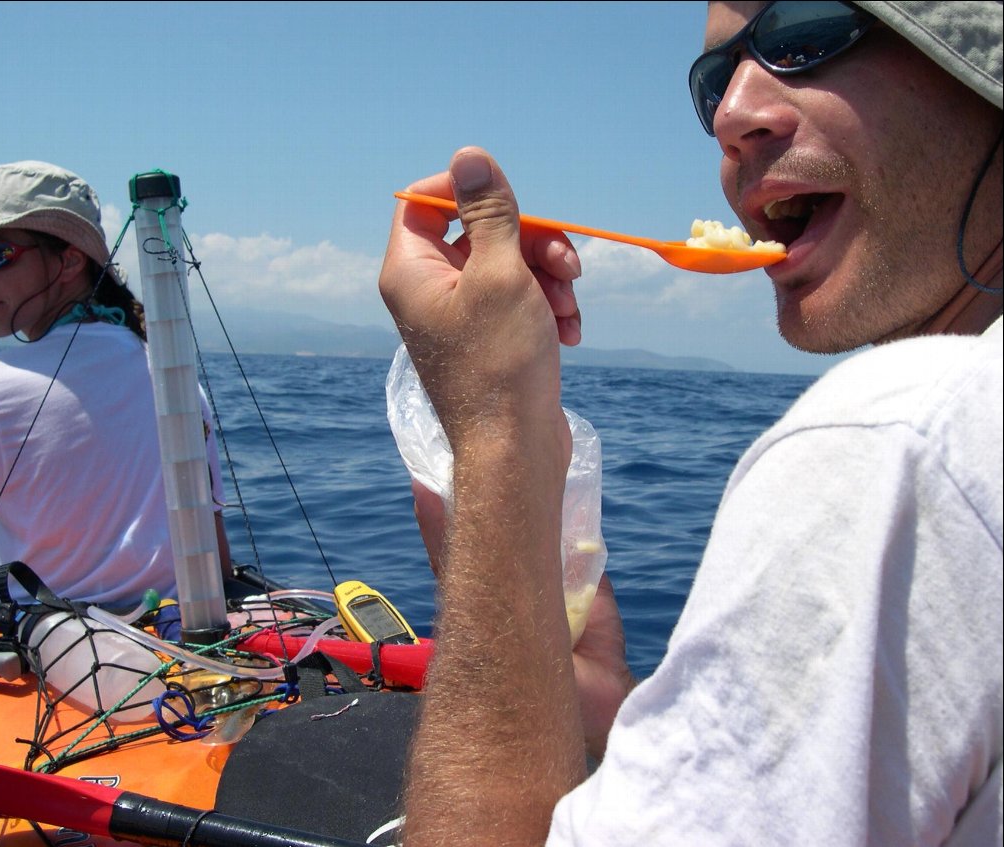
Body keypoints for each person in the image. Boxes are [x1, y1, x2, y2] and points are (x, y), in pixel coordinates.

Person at [378, 1, 1002, 844]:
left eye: (809, 33)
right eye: (714, 83)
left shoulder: (899, 444)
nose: (735, 117)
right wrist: (606, 707)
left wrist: (498, 432)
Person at [0, 160, 232, 610]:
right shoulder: (176, 381)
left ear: (68, 261)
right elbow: (217, 564)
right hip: (174, 644)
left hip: (54, 659)